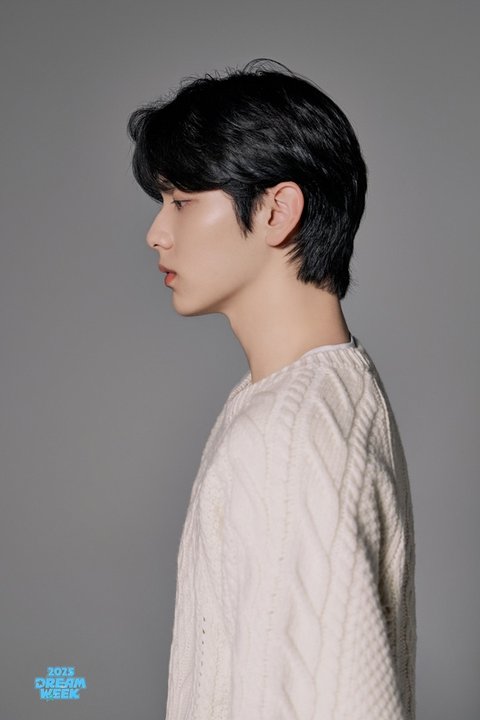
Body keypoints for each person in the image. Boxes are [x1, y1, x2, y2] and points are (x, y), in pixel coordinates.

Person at [127, 58, 416, 720]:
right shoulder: (328, 390)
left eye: (182, 202)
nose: (156, 233)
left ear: (277, 210)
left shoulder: (287, 435)